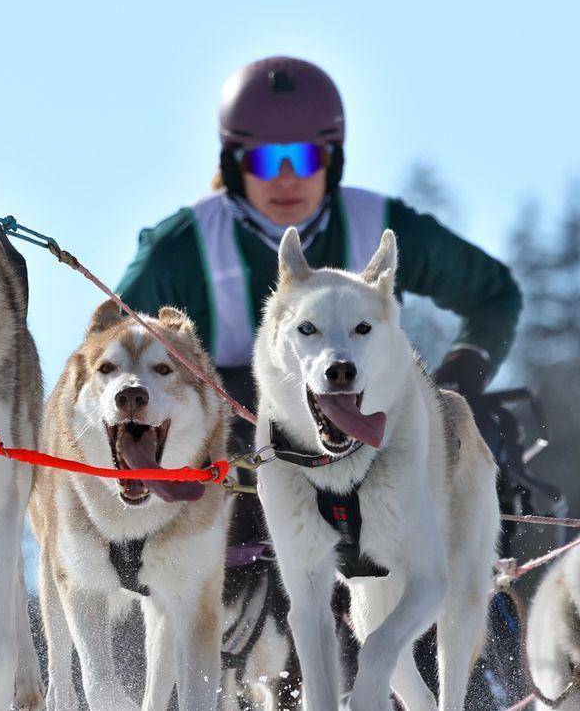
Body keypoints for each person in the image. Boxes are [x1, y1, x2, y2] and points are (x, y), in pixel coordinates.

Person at [114, 55, 525, 702]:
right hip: (240, 443)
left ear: (330, 159)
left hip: (383, 423)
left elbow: (494, 294)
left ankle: (482, 674)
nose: (285, 180)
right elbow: (118, 342)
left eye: (302, 160)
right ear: (232, 163)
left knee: (490, 482)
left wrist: (458, 380)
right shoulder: (183, 246)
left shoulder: (378, 223)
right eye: (262, 162)